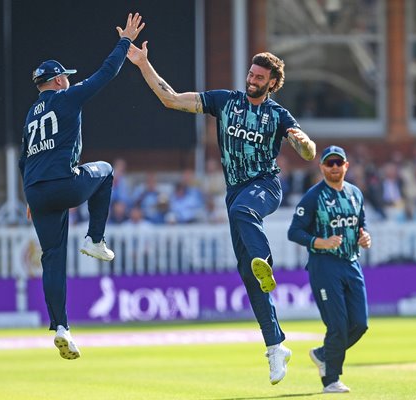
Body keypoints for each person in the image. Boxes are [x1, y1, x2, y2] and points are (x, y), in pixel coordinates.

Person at [127, 44, 316, 384]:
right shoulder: (225, 101)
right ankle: (276, 346)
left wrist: (303, 143)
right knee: (249, 277)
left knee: (245, 213)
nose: (252, 80)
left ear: (273, 83)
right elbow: (171, 99)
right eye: (251, 74)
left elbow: (307, 151)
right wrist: (143, 64)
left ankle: (265, 261)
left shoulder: (279, 116)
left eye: (260, 77)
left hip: (265, 188)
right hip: (235, 195)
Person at [18, 13, 145, 360]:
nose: (69, 82)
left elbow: (23, 159)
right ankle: (95, 238)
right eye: (66, 78)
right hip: (63, 184)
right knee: (104, 170)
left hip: (37, 190)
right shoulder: (66, 98)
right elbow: (106, 73)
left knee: (52, 259)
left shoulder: (31, 115)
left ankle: (61, 327)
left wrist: (30, 196)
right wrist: (125, 41)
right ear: (59, 80)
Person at [288, 145, 371, 394]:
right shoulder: (314, 196)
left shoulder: (355, 193)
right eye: (329, 164)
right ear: (322, 167)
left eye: (338, 163)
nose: (334, 168)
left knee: (359, 323)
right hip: (324, 265)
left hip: (351, 262)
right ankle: (331, 380)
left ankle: (324, 354)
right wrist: (319, 242)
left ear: (346, 166)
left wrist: (365, 237)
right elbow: (294, 231)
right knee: (337, 324)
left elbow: (361, 224)